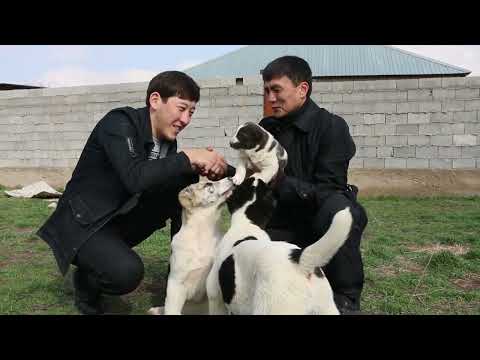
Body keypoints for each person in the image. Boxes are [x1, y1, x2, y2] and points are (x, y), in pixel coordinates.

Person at [37, 71, 228, 315]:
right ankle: (86, 283)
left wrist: (219, 167)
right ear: (155, 100)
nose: (186, 119)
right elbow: (135, 178)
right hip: (82, 224)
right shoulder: (118, 123)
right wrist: (189, 157)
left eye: (191, 112)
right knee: (126, 273)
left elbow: (167, 177)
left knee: (184, 178)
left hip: (117, 217)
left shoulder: (167, 143)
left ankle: (179, 278)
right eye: (181, 108)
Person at [258, 56, 368, 314]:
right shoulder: (266, 128)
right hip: (282, 224)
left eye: (276, 90)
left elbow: (328, 190)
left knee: (342, 211)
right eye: (266, 91)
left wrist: (279, 181)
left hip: (319, 224)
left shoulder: (332, 127)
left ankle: (346, 298)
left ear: (302, 89)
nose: (270, 98)